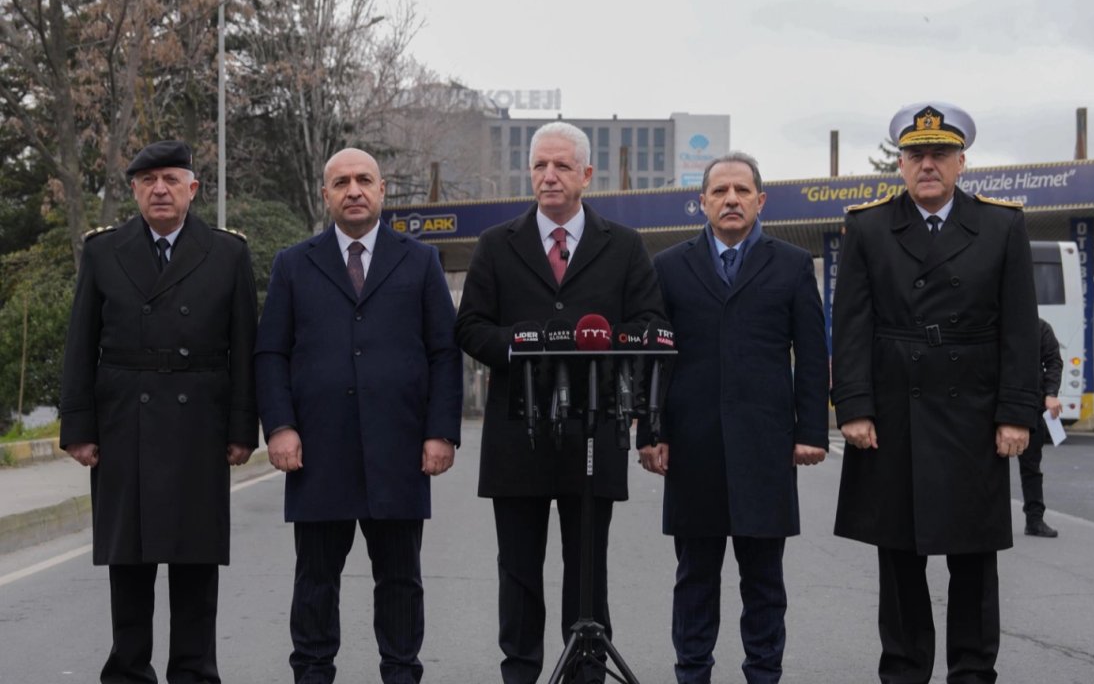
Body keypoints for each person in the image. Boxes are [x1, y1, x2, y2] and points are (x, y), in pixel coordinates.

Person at [830, 102, 1040, 684]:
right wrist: (854, 406)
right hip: (895, 410)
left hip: (972, 409)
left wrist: (1015, 414)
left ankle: (973, 671)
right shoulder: (869, 226)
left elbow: (1020, 329)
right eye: (916, 155)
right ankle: (903, 670)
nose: (928, 165)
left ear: (961, 162)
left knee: (973, 555)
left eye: (940, 155)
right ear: (900, 163)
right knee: (898, 554)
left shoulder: (1002, 225)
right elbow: (850, 324)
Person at [454, 122, 665, 684]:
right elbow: (471, 326)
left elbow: (649, 323)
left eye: (562, 167)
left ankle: (587, 671)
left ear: (586, 175)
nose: (549, 176)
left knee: (587, 565)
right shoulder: (497, 244)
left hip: (593, 428)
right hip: (516, 429)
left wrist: (600, 346)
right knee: (518, 569)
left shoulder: (623, 245)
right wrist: (525, 344)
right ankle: (520, 671)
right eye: (541, 166)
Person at [255, 148, 463, 684]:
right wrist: (279, 425)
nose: (353, 190)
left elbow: (444, 350)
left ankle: (400, 673)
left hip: (399, 450)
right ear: (326, 194)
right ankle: (313, 673)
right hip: (317, 450)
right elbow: (270, 352)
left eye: (363, 180)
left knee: (400, 580)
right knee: (316, 579)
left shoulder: (419, 260)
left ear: (382, 189)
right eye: (341, 182)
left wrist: (440, 432)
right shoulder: (293, 263)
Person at [59, 140, 258, 683]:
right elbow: (82, 342)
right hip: (125, 422)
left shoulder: (228, 253)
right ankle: (128, 671)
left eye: (171, 178)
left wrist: (244, 428)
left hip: (201, 424)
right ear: (133, 190)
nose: (160, 189)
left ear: (193, 188)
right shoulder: (104, 251)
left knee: (196, 563)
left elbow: (244, 347)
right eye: (148, 181)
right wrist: (77, 427)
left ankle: (194, 672)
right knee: (129, 562)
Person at [640, 152, 829, 684]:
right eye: (719, 191)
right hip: (692, 447)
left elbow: (812, 355)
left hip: (764, 449)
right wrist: (650, 431)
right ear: (702, 202)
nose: (730, 200)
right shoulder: (670, 267)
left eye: (741, 191)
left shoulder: (791, 265)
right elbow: (656, 357)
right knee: (694, 578)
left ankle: (763, 674)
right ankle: (692, 673)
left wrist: (811, 431)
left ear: (760, 201)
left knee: (764, 581)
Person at [1021, 318, 1063, 538]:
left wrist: (1051, 394)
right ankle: (979, 521)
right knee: (984, 469)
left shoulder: (1040, 327)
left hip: (1032, 405)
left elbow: (1054, 361)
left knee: (1032, 468)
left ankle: (1034, 520)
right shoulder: (995, 322)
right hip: (994, 406)